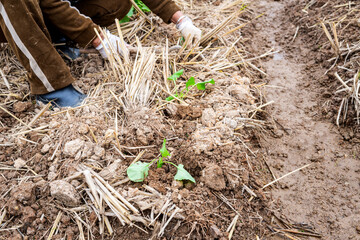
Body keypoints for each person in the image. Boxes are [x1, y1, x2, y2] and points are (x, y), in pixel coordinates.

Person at [0, 0, 201, 107]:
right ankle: (51, 88)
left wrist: (180, 19)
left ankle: (54, 39)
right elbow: (50, 2)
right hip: (11, 12)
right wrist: (99, 38)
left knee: (115, 3)